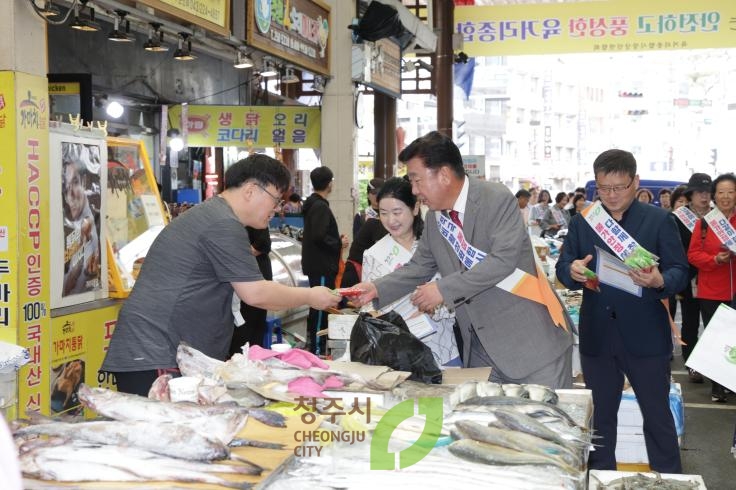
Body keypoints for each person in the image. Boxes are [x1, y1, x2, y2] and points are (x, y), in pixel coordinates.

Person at [101, 154, 341, 396]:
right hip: (158, 353)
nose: (276, 209)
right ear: (250, 190)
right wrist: (310, 296)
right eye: (276, 200)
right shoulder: (222, 223)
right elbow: (255, 293)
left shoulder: (216, 216)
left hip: (163, 351)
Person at [353, 131, 573, 388]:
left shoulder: (496, 199)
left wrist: (443, 289)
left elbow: (502, 261)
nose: (414, 190)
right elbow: (420, 266)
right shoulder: (436, 218)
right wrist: (375, 288)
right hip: (480, 350)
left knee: (546, 424)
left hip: (530, 346)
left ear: (444, 174)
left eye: (416, 180)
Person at [556, 149, 688, 473]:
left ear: (635, 182)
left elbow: (680, 271)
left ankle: (668, 478)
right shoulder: (584, 221)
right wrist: (571, 271)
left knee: (657, 416)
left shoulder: (659, 220)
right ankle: (602, 476)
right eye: (604, 188)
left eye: (619, 187)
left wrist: (660, 280)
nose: (611, 195)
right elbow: (563, 266)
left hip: (645, 336)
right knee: (600, 419)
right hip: (598, 336)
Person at [361, 177, 460, 367]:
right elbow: (368, 307)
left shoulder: (438, 246)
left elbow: (457, 291)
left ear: (415, 208)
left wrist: (433, 310)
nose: (391, 220)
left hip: (441, 348)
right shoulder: (373, 254)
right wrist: (395, 324)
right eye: (383, 213)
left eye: (397, 212)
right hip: (398, 353)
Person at [687, 172, 736, 403]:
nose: (726, 196)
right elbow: (693, 255)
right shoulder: (705, 223)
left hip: (734, 290)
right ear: (714, 196)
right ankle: (718, 386)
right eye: (721, 192)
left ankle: (731, 382)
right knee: (717, 339)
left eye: (731, 192)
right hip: (711, 290)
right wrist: (715, 260)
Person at [301, 166, 349, 355]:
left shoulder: (314, 204)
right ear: (329, 183)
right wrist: (339, 242)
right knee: (322, 306)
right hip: (321, 265)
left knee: (318, 306)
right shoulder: (320, 206)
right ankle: (318, 348)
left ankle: (316, 345)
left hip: (317, 264)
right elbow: (319, 236)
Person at [672, 176, 713, 384]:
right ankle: (692, 364)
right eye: (700, 193)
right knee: (690, 321)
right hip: (689, 278)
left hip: (714, 277)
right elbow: (675, 250)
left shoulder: (718, 216)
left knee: (713, 324)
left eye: (707, 192)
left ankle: (715, 366)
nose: (704, 197)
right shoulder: (679, 217)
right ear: (690, 195)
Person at [62, 151, 101, 296]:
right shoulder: (70, 224)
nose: (70, 193)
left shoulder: (93, 224)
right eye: (67, 186)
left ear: (85, 183)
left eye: (75, 182)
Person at [229, 226, 273, 355]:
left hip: (252, 274)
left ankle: (245, 360)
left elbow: (263, 244)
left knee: (247, 324)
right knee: (253, 323)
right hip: (256, 274)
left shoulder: (254, 220)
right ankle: (252, 358)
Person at [342, 178, 388, 288]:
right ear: (368, 195)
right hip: (363, 265)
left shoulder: (390, 216)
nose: (377, 196)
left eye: (380, 193)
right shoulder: (361, 216)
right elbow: (357, 242)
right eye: (373, 193)